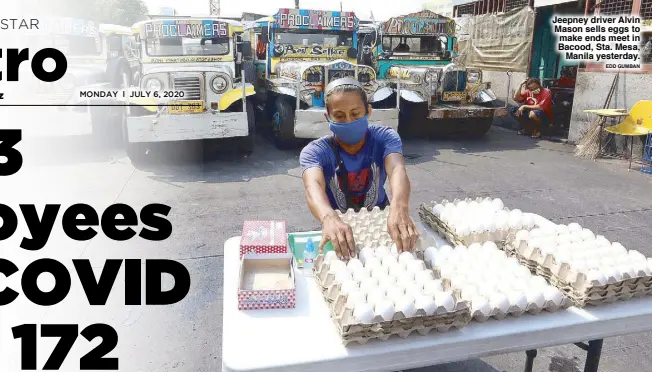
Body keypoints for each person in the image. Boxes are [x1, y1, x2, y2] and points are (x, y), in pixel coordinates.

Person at [300, 78, 418, 260]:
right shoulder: (315, 152)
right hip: (337, 224)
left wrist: (400, 206)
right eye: (339, 116)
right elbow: (312, 186)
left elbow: (396, 168)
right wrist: (328, 218)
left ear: (368, 111)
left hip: (382, 221)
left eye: (355, 114)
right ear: (327, 117)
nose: (348, 121)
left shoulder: (384, 138)